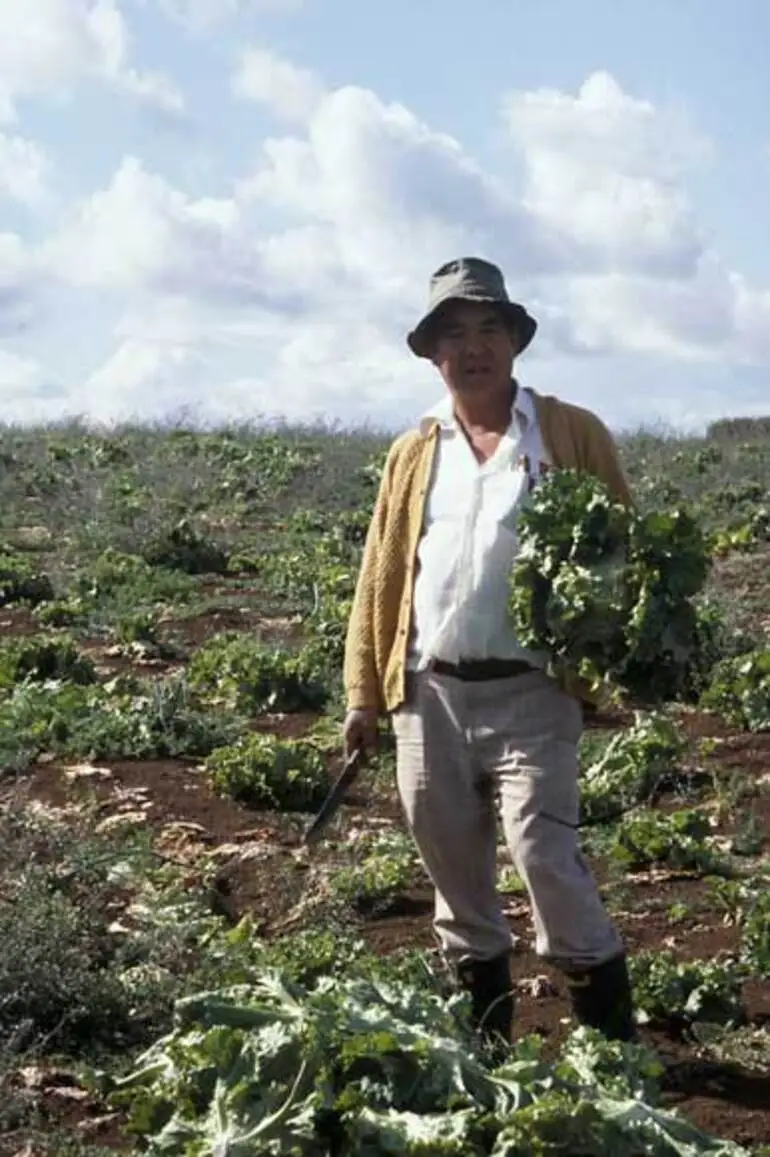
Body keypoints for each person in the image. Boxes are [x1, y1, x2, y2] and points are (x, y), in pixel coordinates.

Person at [342, 256, 636, 1053]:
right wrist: (365, 694)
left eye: (488, 329)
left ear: (514, 340)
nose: (473, 348)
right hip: (428, 694)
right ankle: (486, 1051)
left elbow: (622, 547)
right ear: (434, 353)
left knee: (545, 854)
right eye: (454, 335)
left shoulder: (569, 433)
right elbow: (382, 568)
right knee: (455, 878)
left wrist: (612, 660)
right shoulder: (415, 450)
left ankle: (611, 1047)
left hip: (534, 693)